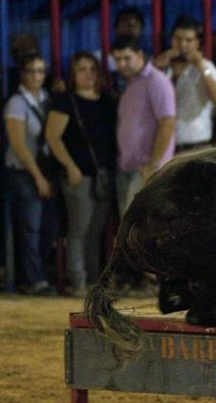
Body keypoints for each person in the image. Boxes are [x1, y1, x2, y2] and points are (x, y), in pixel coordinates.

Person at [44, 51, 117, 297]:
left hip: (103, 176)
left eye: (92, 69)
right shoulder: (66, 101)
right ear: (73, 75)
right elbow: (52, 137)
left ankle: (93, 280)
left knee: (95, 230)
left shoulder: (106, 100)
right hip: (79, 176)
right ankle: (78, 281)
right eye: (82, 69)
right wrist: (70, 166)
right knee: (79, 230)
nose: (88, 74)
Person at [3, 53, 57, 295]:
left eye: (40, 71)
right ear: (22, 74)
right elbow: (18, 145)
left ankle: (39, 275)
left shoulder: (46, 98)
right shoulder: (16, 103)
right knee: (31, 227)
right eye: (31, 71)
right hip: (24, 172)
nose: (36, 76)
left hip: (43, 170)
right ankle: (32, 280)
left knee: (47, 227)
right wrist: (38, 177)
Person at [111, 35, 175, 217]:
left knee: (140, 231)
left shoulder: (156, 81)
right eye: (117, 59)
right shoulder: (132, 84)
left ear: (140, 55)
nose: (122, 64)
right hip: (130, 167)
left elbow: (167, 123)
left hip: (146, 169)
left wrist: (153, 165)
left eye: (126, 58)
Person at [152, 15, 216, 152]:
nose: (182, 45)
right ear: (171, 40)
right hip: (162, 147)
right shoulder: (162, 68)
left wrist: (201, 68)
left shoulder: (207, 68)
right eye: (178, 39)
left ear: (197, 43)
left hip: (196, 146)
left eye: (188, 40)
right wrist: (155, 68)